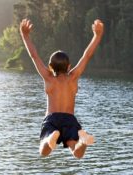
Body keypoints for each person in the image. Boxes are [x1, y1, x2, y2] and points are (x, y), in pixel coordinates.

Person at [20, 18, 104, 159]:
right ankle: (82, 142)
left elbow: (34, 55)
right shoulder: (73, 77)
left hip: (51, 118)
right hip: (69, 119)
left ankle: (50, 138)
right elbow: (87, 55)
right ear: (69, 66)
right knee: (77, 153)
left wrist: (25, 35)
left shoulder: (48, 77)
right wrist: (97, 35)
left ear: (51, 67)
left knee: (44, 151)